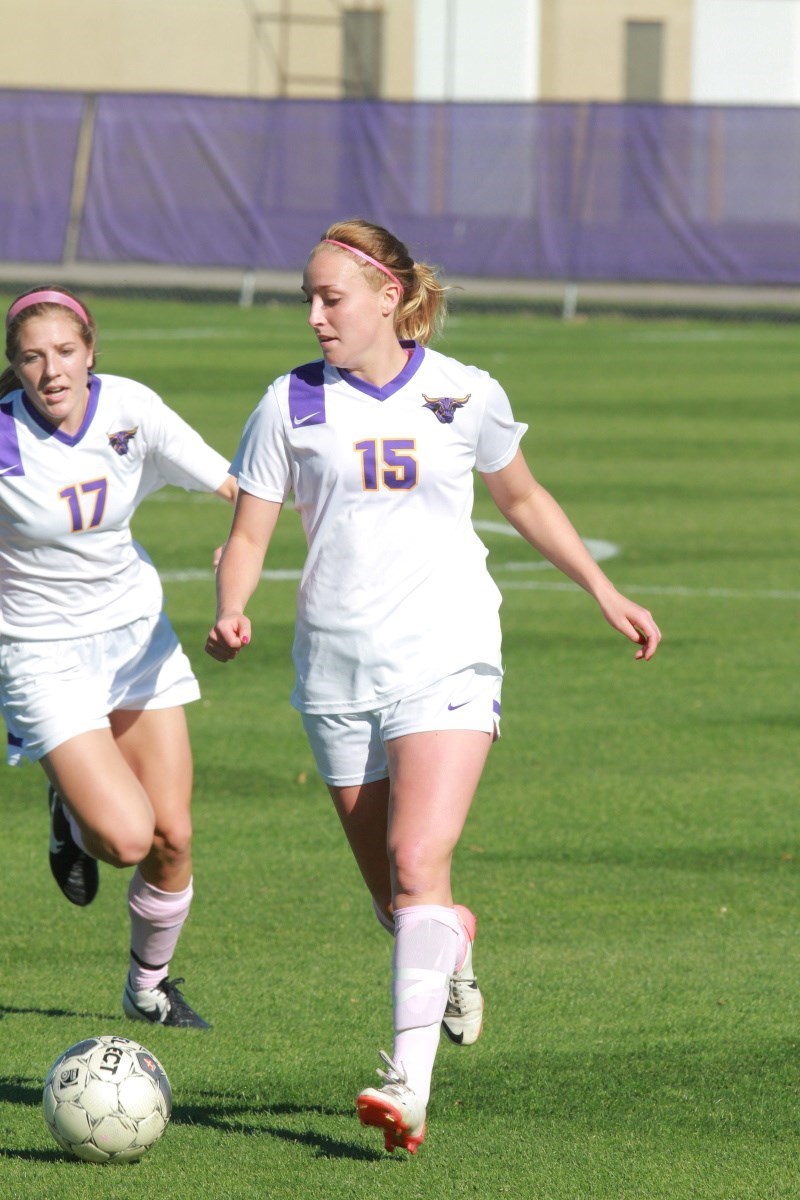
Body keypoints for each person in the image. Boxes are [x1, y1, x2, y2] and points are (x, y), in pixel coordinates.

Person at [205, 219, 661, 1151]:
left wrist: (602, 589)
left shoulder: (465, 392)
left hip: (448, 652)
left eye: (331, 297)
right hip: (336, 672)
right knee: (400, 901)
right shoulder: (288, 403)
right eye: (309, 297)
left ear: (389, 297)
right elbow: (249, 531)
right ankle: (448, 944)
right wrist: (232, 607)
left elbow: (523, 497)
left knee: (418, 862)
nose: (316, 315)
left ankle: (406, 1086)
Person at [0, 286, 237, 1029]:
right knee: (125, 836)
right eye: (32, 357)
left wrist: (247, 540)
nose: (52, 371)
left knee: (172, 838)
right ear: (14, 366)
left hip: (136, 639)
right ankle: (71, 816)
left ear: (91, 349)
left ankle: (148, 988)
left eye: (65, 352)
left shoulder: (131, 407)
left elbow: (236, 484)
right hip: (40, 654)